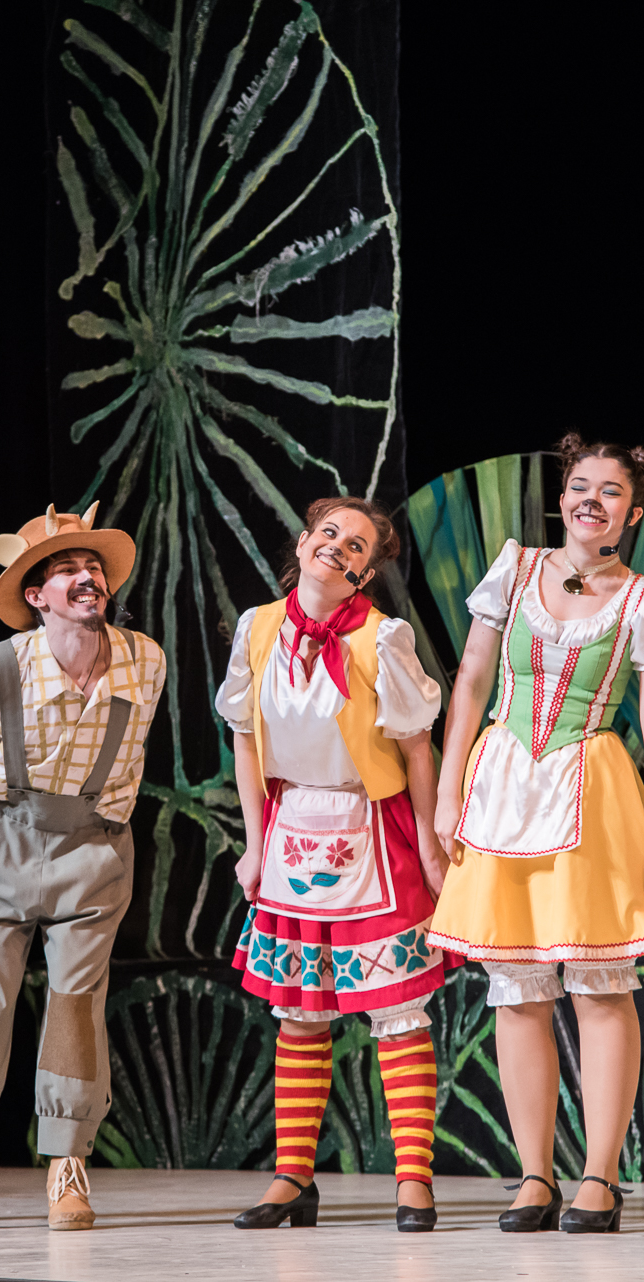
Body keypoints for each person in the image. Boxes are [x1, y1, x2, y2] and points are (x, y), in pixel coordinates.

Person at [428, 434, 644, 1234]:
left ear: (632, 513)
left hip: (592, 787)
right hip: (503, 782)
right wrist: (448, 789)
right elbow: (472, 680)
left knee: (599, 982)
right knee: (516, 987)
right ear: (563, 497)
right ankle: (533, 1176)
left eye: (610, 492)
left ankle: (599, 1178)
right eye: (580, 486)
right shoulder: (515, 569)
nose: (590, 501)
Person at [0, 502, 166, 1233]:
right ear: (36, 596)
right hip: (2, 838)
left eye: (94, 568)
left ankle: (67, 1162)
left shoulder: (145, 659)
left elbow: (132, 753)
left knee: (76, 1000)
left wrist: (98, 824)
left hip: (94, 845)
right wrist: (2, 830)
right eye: (67, 570)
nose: (88, 578)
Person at [217, 496, 451, 1233]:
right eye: (329, 533)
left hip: (371, 830)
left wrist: (431, 844)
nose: (338, 547)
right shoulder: (258, 628)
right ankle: (293, 1177)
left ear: (366, 573)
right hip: (291, 829)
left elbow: (417, 750)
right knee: (300, 1013)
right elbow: (246, 740)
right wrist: (255, 843)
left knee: (395, 1011)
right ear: (301, 542)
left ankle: (414, 1180)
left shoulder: (383, 639)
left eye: (357, 546)